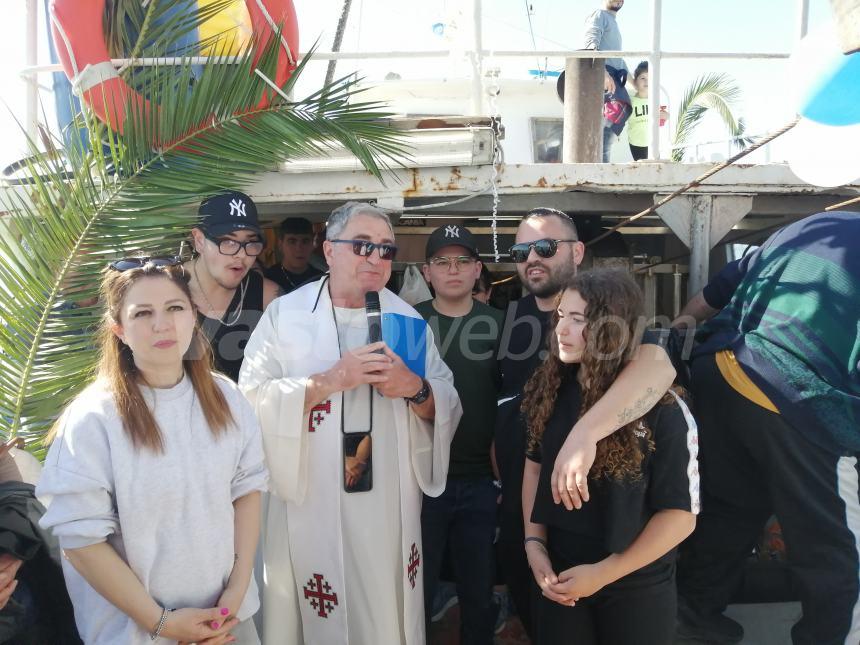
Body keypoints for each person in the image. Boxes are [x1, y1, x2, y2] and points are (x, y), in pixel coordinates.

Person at [239, 202, 462, 645]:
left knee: (382, 614)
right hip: (310, 496)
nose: (376, 258)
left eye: (386, 249)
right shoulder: (285, 316)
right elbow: (248, 402)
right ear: (330, 250)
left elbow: (448, 402)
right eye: (362, 245)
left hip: (387, 506)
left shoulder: (408, 318)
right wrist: (328, 381)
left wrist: (415, 389)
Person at [36, 257, 268, 645]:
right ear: (118, 329)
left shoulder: (225, 397)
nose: (162, 324)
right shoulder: (94, 418)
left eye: (174, 308)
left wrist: (234, 597)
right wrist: (162, 622)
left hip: (226, 626)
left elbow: (246, 491)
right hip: (138, 632)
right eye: (143, 313)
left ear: (193, 316)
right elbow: (81, 541)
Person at [673, 210, 860, 645]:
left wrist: (679, 331)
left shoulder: (808, 226)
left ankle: (690, 624)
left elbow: (708, 298)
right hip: (796, 394)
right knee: (835, 545)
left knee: (728, 513)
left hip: (719, 370)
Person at [494, 207, 676, 637]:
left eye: (544, 247)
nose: (531, 258)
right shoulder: (509, 319)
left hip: (603, 534)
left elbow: (657, 365)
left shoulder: (606, 311)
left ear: (577, 252)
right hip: (531, 521)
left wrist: (584, 433)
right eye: (521, 250)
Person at [521, 269, 699, 645]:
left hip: (638, 585)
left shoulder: (664, 409)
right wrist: (534, 545)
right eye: (561, 317)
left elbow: (681, 517)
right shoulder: (550, 390)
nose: (562, 330)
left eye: (578, 319)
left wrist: (602, 574)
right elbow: (534, 470)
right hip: (560, 577)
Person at [415, 225, 504, 644]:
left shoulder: (501, 325)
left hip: (479, 482)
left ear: (477, 270)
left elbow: (512, 404)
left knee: (478, 588)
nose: (453, 270)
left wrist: (503, 475)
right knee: (418, 587)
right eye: (442, 262)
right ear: (427, 271)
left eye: (463, 261)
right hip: (419, 481)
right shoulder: (410, 323)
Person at [186, 190, 280, 382]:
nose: (241, 255)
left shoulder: (266, 296)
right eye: (228, 242)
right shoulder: (165, 288)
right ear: (199, 240)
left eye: (250, 243)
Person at [583, 0, 631, 162]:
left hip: (614, 77)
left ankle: (603, 164)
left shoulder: (613, 22)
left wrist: (635, 83)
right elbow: (590, 43)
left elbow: (619, 60)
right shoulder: (599, 15)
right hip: (604, 76)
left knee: (612, 123)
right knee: (613, 119)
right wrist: (601, 72)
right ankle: (600, 166)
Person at [264, 217, 324, 294]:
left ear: (312, 244)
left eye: (305, 241)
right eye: (292, 241)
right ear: (280, 245)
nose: (299, 248)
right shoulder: (268, 279)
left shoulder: (320, 279)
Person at [627, 61, 669, 161]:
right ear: (635, 81)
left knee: (653, 170)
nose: (646, 81)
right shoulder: (630, 100)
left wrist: (664, 115)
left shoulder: (655, 101)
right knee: (641, 170)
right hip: (636, 143)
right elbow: (624, 72)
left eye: (649, 78)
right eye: (643, 78)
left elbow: (666, 116)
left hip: (653, 143)